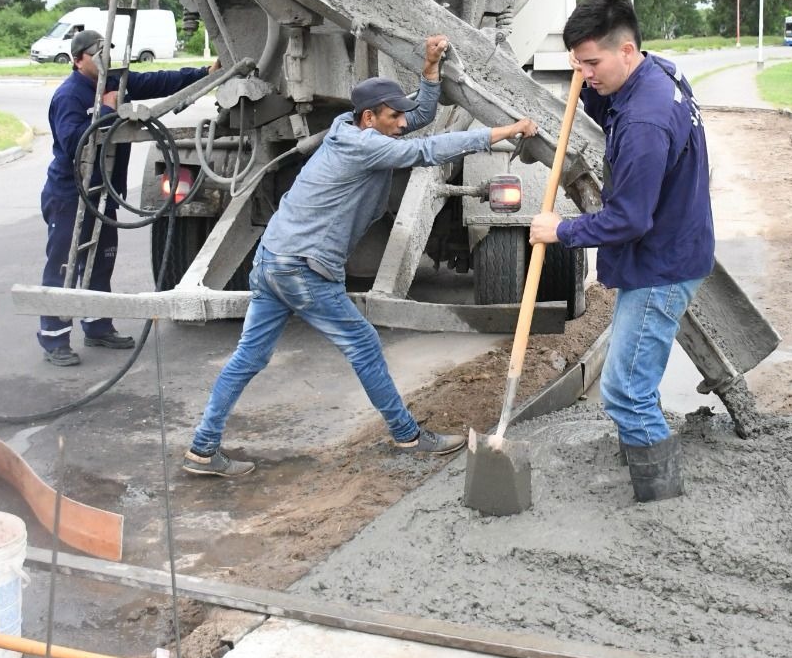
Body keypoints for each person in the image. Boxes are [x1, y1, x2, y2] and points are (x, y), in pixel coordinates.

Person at [181, 35, 536, 477]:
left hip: (273, 259)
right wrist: (504, 131)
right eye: (392, 117)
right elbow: (425, 150)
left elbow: (420, 116)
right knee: (364, 344)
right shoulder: (366, 146)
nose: (402, 124)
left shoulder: (356, 130)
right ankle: (407, 435)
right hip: (302, 268)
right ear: (369, 118)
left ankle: (202, 446)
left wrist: (429, 71)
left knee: (249, 357)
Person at [530, 0, 714, 503]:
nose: (585, 73)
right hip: (679, 243)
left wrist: (560, 232)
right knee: (637, 378)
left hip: (661, 265)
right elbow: (611, 103)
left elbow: (630, 219)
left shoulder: (644, 124)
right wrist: (590, 88)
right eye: (578, 63)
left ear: (627, 50)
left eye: (593, 63)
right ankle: (645, 458)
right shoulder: (662, 74)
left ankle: (660, 500)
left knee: (624, 391)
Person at [37, 29, 216, 366]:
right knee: (66, 263)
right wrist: (106, 111)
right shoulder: (69, 96)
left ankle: (98, 324)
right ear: (78, 60)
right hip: (70, 195)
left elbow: (159, 81)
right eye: (96, 53)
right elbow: (74, 140)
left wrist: (204, 73)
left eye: (107, 50)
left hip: (103, 193)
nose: (105, 57)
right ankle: (54, 338)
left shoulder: (117, 83)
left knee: (101, 259)